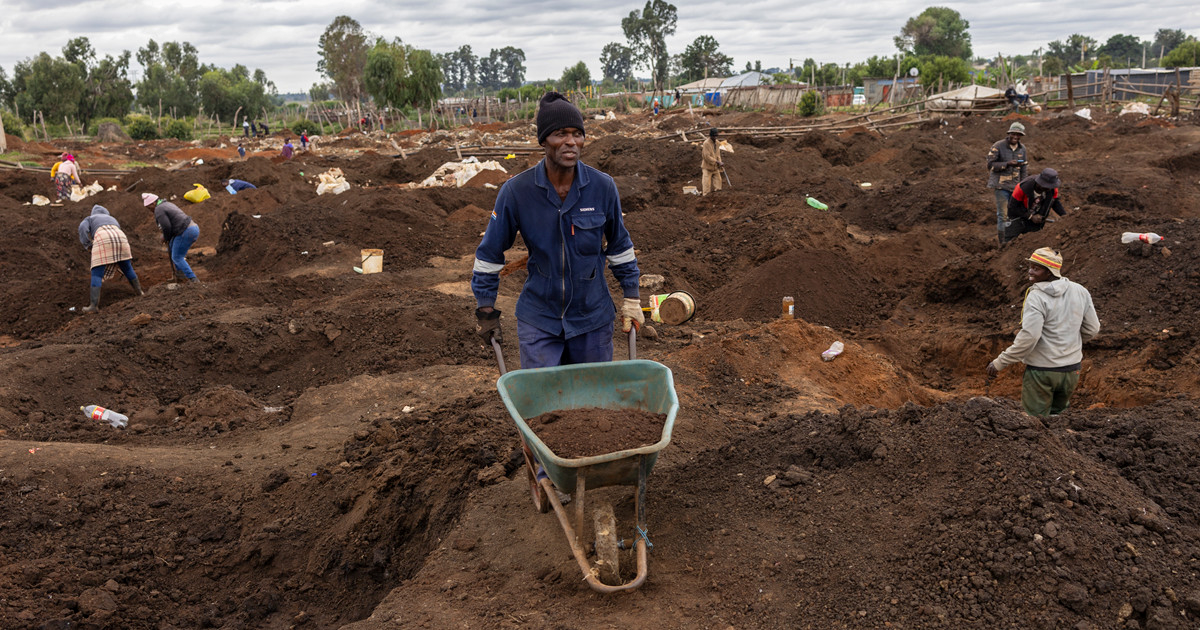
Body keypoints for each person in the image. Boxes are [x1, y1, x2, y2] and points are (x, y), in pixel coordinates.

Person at [472, 91, 643, 370]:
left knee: (592, 403)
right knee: (544, 402)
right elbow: (489, 254)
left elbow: (620, 247)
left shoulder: (602, 187)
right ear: (543, 140)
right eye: (560, 134)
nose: (571, 142)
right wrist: (486, 308)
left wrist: (632, 298)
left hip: (592, 317)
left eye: (577, 134)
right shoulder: (517, 192)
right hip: (539, 317)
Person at [987, 247, 1100, 417]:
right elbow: (1093, 329)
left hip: (1042, 372)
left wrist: (1000, 362)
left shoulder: (1037, 296)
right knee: (1059, 419)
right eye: (1030, 267)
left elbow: (1030, 336)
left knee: (1036, 424)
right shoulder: (1080, 291)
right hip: (1072, 371)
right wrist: (1069, 339)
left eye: (1036, 268)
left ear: (1049, 272)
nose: (1030, 272)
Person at [77, 204, 142, 312]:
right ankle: (140, 293)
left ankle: (93, 306)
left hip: (103, 237)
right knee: (126, 267)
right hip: (121, 238)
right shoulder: (112, 219)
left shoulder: (90, 218)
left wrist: (87, 245)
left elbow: (82, 228)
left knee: (97, 272)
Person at [142, 193, 200, 283]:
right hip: (190, 228)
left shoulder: (159, 209)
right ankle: (181, 277)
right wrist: (166, 237)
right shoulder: (167, 204)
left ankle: (194, 280)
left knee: (177, 257)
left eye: (149, 208)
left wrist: (165, 237)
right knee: (173, 249)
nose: (150, 210)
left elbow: (166, 227)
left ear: (153, 203)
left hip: (186, 231)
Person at [986, 122, 1028, 244]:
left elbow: (1024, 168)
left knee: (1014, 214)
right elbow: (990, 165)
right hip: (1001, 186)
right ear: (1009, 133)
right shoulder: (998, 146)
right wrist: (1007, 164)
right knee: (1003, 215)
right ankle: (1003, 242)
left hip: (1016, 187)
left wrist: (1023, 185)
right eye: (1013, 134)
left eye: (1018, 134)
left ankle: (1013, 240)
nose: (1015, 136)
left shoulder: (1022, 149)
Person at [1005, 168, 1066, 243]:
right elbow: (1012, 207)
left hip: (1036, 221)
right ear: (1041, 184)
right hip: (1018, 218)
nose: (1050, 188)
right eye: (1048, 186)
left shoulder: (1052, 189)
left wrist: (1065, 216)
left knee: (1031, 243)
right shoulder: (1023, 187)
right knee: (1010, 243)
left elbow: (1055, 203)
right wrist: (1030, 216)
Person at [701, 128, 724, 196]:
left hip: (715, 167)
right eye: (714, 136)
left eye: (716, 136)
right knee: (706, 185)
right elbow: (706, 156)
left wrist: (720, 162)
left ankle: (718, 196)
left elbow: (718, 154)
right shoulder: (706, 143)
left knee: (718, 182)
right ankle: (705, 197)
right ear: (710, 136)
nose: (715, 137)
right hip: (707, 168)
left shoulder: (717, 143)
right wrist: (717, 161)